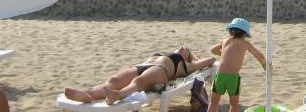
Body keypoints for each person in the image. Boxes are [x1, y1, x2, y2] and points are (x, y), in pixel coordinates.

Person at [64, 46, 214, 105]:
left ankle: (118, 95)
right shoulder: (166, 53)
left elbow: (212, 59)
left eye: (186, 48)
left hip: (161, 77)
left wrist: (194, 58)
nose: (182, 47)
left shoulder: (186, 65)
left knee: (139, 81)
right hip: (142, 66)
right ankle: (86, 95)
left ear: (188, 56)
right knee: (113, 81)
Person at [208, 18, 266, 112]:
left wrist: (222, 54)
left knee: (214, 102)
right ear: (245, 33)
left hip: (220, 76)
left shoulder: (225, 41)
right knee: (234, 104)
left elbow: (212, 50)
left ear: (231, 31)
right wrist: (265, 66)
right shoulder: (246, 44)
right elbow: (260, 56)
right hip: (233, 78)